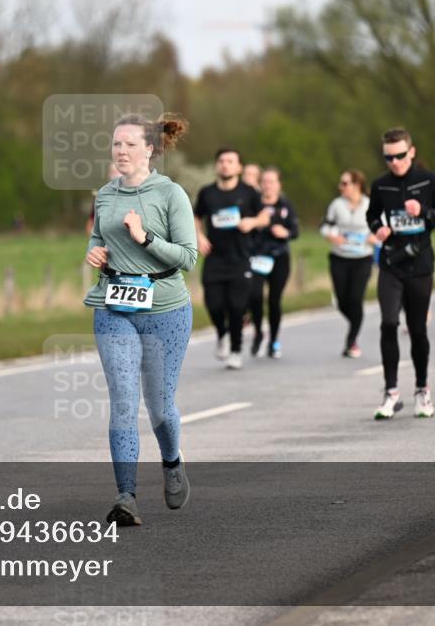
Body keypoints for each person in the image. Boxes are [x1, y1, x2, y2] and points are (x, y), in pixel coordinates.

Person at [84, 113, 197, 526]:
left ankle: (172, 462)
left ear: (149, 149)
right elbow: (98, 239)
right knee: (123, 402)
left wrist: (145, 238)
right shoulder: (105, 195)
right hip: (114, 306)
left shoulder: (171, 194)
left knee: (160, 407)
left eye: (130, 144)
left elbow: (188, 257)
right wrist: (95, 253)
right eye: (116, 144)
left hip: (166, 310)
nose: (122, 151)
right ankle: (126, 497)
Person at [367, 128, 435, 420]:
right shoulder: (380, 185)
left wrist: (423, 211)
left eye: (400, 156)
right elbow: (371, 215)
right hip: (391, 263)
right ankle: (391, 392)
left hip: (420, 264)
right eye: (389, 157)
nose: (395, 162)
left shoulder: (429, 180)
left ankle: (422, 389)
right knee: (389, 323)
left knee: (417, 330)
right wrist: (378, 228)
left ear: (411, 152)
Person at [193, 149, 270, 369]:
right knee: (214, 304)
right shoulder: (207, 193)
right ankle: (222, 333)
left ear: (238, 167)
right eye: (221, 161)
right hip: (215, 258)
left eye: (230, 161)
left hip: (240, 258)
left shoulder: (248, 192)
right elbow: (196, 216)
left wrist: (252, 222)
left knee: (237, 307)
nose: (225, 165)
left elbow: (265, 216)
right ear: (216, 165)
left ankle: (236, 350)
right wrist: (199, 236)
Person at [321, 169, 377, 358]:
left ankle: (352, 341)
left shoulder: (370, 204)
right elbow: (325, 226)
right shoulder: (336, 205)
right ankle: (356, 322)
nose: (341, 187)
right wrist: (332, 236)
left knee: (356, 298)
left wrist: (375, 237)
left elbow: (382, 228)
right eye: (341, 183)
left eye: (344, 183)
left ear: (357, 185)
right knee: (342, 302)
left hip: (362, 259)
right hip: (339, 258)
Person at [248, 166, 299, 358]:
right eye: (264, 181)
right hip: (257, 256)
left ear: (279, 185)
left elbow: (295, 231)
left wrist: (285, 232)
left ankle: (274, 340)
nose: (268, 185)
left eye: (272, 182)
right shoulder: (254, 205)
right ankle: (258, 332)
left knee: (274, 300)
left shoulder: (285, 205)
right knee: (254, 296)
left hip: (279, 257)